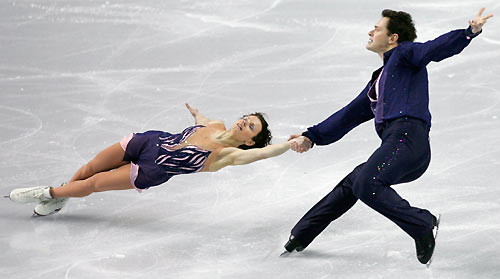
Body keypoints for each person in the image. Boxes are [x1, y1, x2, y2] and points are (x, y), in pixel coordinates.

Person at [283, 8, 493, 266]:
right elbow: (349, 114)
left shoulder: (405, 54)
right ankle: (301, 234)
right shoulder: (378, 82)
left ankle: (423, 223)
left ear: (393, 38)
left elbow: (432, 49)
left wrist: (468, 33)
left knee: (365, 183)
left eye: (377, 28)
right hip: (397, 146)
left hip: (407, 140)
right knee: (355, 181)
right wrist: (311, 136)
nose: (371, 31)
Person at [8, 103, 297, 216]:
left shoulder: (227, 156)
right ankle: (61, 197)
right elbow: (203, 119)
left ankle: (48, 193)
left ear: (249, 141)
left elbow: (265, 152)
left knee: (95, 183)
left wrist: (288, 143)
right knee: (89, 168)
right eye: (246, 118)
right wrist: (196, 114)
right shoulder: (217, 124)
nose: (243, 123)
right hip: (148, 140)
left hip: (152, 170)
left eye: (250, 127)